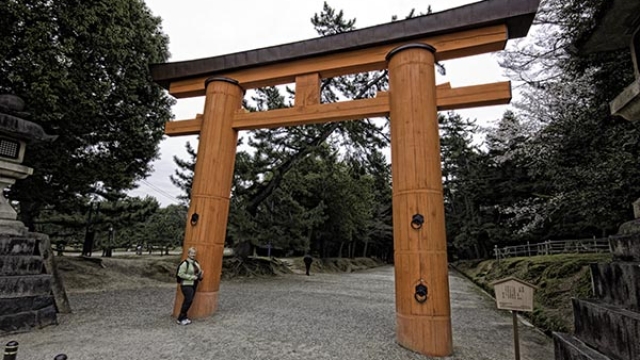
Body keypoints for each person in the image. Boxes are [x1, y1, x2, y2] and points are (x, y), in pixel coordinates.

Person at [176, 247, 203, 325]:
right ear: (188, 254)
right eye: (191, 253)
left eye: (194, 253)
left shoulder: (196, 263)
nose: (193, 255)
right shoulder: (185, 263)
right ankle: (180, 318)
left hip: (194, 284)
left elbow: (198, 272)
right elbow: (180, 274)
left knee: (189, 301)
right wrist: (191, 277)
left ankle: (184, 316)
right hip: (186, 284)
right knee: (188, 300)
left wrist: (200, 275)